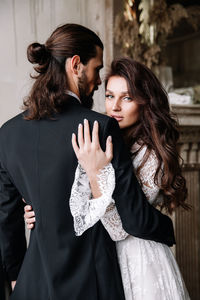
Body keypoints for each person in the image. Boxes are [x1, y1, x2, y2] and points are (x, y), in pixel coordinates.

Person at [0, 24, 176, 300]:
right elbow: (133, 216)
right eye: (96, 69)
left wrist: (15, 277)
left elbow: (6, 220)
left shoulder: (7, 133)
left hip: (31, 283)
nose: (96, 81)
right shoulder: (99, 127)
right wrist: (168, 228)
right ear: (76, 65)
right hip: (92, 282)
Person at [25, 58, 191, 299]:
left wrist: (95, 175)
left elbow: (123, 227)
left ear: (145, 103)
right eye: (110, 96)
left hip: (138, 258)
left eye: (127, 98)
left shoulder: (151, 153)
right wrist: (34, 209)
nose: (115, 107)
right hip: (102, 259)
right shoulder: (102, 138)